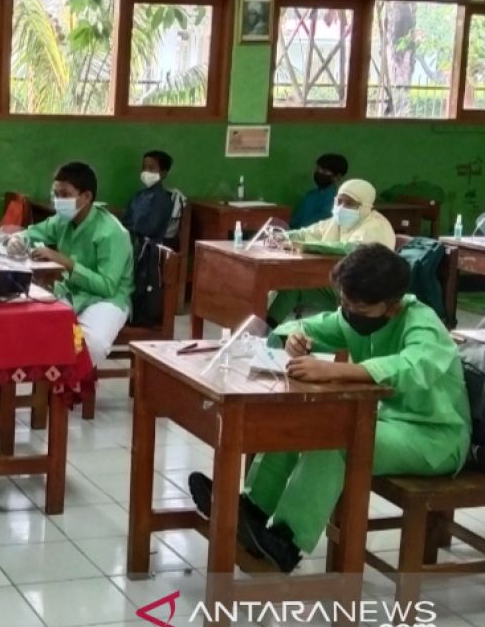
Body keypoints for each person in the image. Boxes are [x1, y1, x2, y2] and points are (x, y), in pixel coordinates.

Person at [188, 245, 470, 572]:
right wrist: (296, 336)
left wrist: (337, 370)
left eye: (358, 306)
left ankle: (286, 542)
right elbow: (312, 326)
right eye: (344, 302)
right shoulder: (357, 315)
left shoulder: (422, 323)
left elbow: (412, 367)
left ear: (391, 307)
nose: (348, 312)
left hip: (434, 436)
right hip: (385, 422)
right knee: (304, 424)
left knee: (337, 441)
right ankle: (252, 508)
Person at [14, 162, 134, 366]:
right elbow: (34, 233)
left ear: (86, 197)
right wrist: (17, 241)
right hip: (71, 290)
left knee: (91, 343)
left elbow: (107, 286)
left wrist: (65, 262)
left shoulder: (111, 233)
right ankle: (48, 390)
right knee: (29, 321)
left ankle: (72, 391)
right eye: (55, 194)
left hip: (107, 299)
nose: (58, 201)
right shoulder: (63, 220)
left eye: (64, 194)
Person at [267, 179, 396, 324]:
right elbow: (306, 233)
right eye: (339, 201)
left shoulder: (375, 226)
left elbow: (353, 248)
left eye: (349, 204)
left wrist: (307, 246)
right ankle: (265, 331)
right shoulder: (337, 222)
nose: (341, 208)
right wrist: (281, 235)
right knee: (292, 285)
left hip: (367, 292)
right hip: (340, 285)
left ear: (365, 206)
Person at [122, 150, 175, 242]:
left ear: (163, 173)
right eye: (144, 168)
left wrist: (130, 229)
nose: (146, 172)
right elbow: (125, 219)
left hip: (147, 249)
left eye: (151, 168)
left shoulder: (162, 200)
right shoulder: (137, 196)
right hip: (129, 242)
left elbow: (150, 229)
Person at [290, 153, 348, 229]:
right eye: (318, 169)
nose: (319, 172)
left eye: (324, 171)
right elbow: (295, 220)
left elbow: (320, 225)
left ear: (337, 177)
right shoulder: (310, 195)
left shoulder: (336, 199)